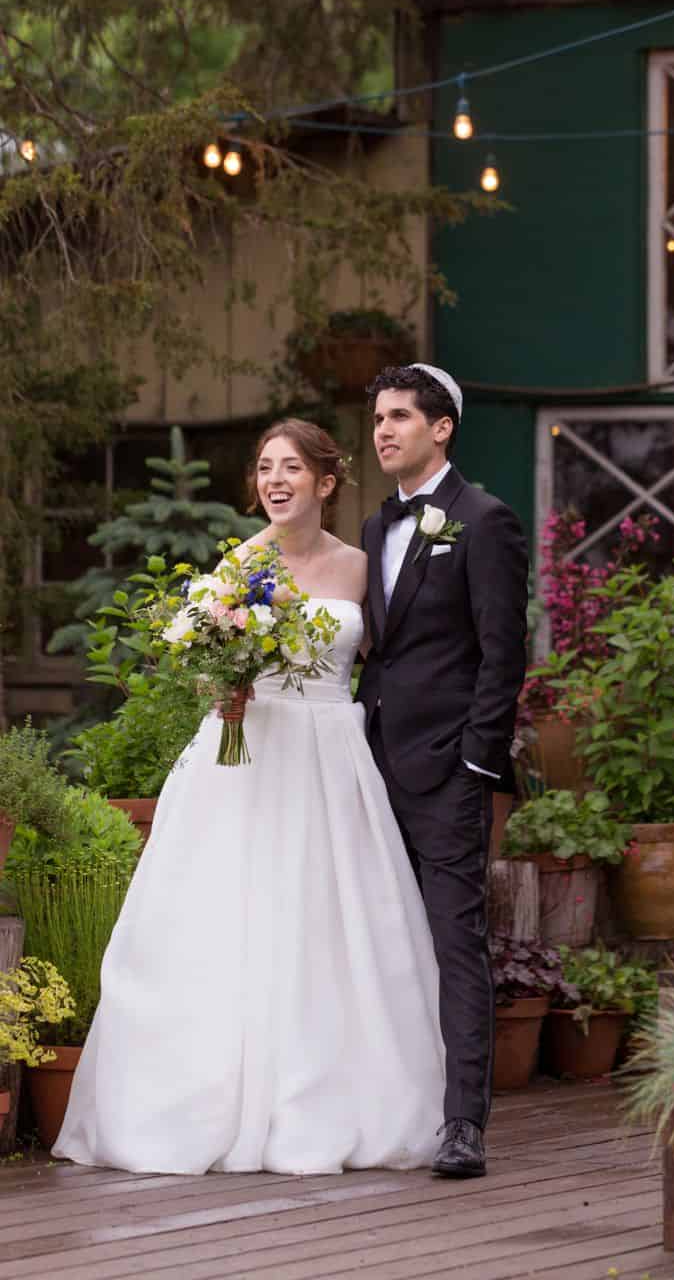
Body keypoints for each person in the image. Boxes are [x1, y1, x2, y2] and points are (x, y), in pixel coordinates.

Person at [53, 418, 447, 1176]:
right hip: (245, 758)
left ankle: (334, 1100)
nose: (274, 480)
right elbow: (204, 664)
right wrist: (222, 682)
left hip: (331, 759)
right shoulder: (237, 566)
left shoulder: (364, 569)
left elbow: (393, 663)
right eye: (265, 468)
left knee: (332, 928)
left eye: (291, 468)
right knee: (227, 921)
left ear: (326, 483)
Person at [358, 363, 529, 1179]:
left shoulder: (484, 520)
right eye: (379, 419)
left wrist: (476, 761)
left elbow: (504, 653)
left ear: (442, 428)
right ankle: (382, 1102)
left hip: (447, 772)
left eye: (399, 417)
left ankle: (465, 1124)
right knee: (375, 939)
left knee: (455, 941)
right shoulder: (371, 528)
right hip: (367, 767)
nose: (384, 430)